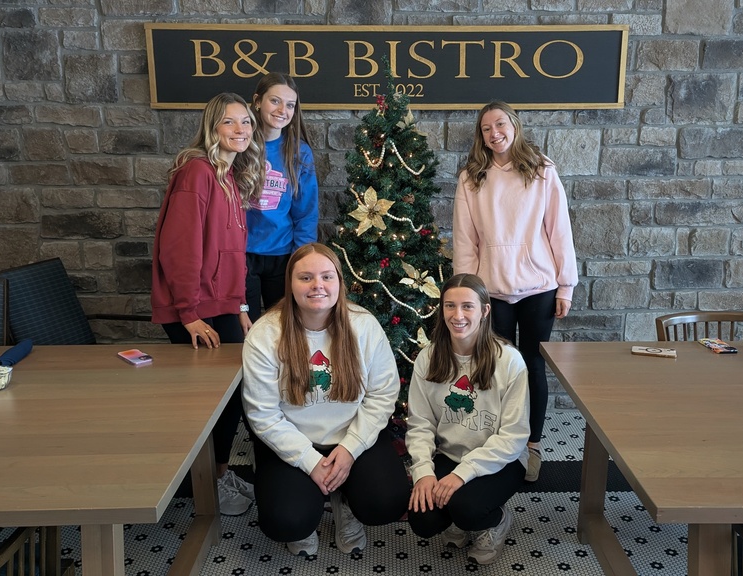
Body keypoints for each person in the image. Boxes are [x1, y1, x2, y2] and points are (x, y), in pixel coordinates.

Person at [241, 242, 411, 557]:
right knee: (286, 520)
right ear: (290, 284)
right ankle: (307, 517)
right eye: (305, 278)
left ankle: (344, 501)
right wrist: (309, 461)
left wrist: (349, 450)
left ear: (338, 283)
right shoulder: (265, 335)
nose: (317, 285)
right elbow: (263, 414)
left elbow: (383, 393)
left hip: (352, 436)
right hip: (291, 441)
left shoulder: (363, 325)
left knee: (387, 501)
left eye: (326, 277)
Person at [150, 92, 264, 517]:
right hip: (194, 308)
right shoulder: (197, 172)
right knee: (210, 401)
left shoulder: (229, 177)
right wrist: (189, 313)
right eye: (229, 123)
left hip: (220, 304)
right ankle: (206, 486)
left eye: (246, 123)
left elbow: (231, 251)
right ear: (212, 128)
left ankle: (216, 474)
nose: (241, 130)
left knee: (232, 395)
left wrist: (238, 305)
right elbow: (181, 249)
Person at [452, 100, 578, 483]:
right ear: (481, 135)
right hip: (491, 292)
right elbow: (465, 240)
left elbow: (559, 230)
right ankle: (498, 444)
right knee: (496, 369)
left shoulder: (541, 170)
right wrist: (467, 295)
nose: (495, 133)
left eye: (501, 125)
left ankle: (533, 446)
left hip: (540, 287)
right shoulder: (472, 177)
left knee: (533, 365)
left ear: (515, 126)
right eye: (487, 128)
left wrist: (566, 286)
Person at [406, 273, 530, 565]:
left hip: (501, 460)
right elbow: (420, 423)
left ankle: (496, 520)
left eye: (467, 306)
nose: (457, 315)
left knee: (467, 509)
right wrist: (423, 472)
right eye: (449, 306)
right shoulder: (429, 357)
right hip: (451, 453)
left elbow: (513, 437)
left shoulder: (509, 361)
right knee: (422, 520)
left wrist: (462, 474)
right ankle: (458, 516)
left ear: (485, 311)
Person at [246, 72, 319, 321]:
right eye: (274, 101)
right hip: (242, 254)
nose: (282, 110)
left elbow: (306, 212)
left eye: (290, 105)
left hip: (283, 256)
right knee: (246, 330)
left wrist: (302, 260)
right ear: (257, 101)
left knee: (284, 326)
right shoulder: (240, 144)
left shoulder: (299, 152)